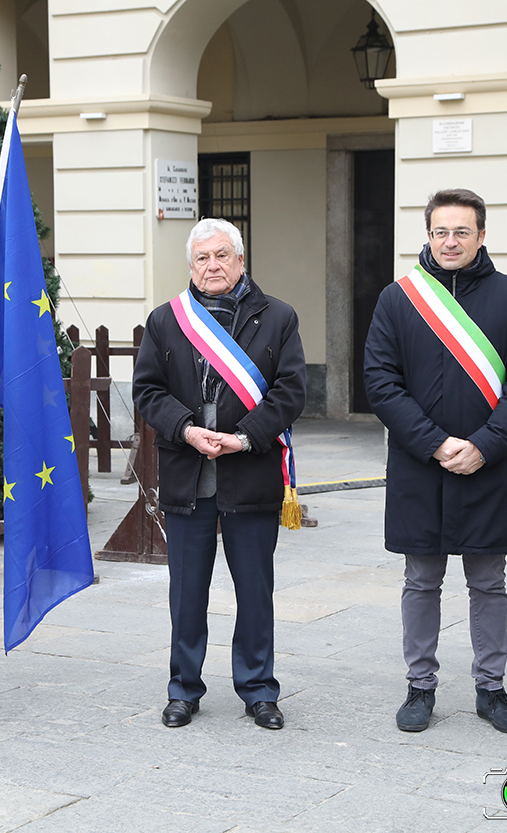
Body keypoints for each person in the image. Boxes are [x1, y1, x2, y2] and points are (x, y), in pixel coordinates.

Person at [363, 189, 507, 735]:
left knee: (489, 579)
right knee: (421, 578)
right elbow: (380, 382)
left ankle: (491, 690)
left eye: (462, 232)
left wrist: (486, 445)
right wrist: (436, 444)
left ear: (482, 236)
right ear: (427, 234)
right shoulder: (398, 299)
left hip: (489, 465)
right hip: (421, 464)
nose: (450, 241)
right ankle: (420, 686)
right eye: (441, 231)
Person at [132, 218, 305, 730]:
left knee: (255, 590)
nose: (212, 266)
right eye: (203, 258)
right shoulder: (167, 320)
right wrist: (184, 429)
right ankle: (183, 688)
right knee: (187, 593)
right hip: (188, 473)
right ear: (191, 265)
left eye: (222, 255)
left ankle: (258, 690)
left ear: (241, 260)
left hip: (249, 471)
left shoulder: (279, 317)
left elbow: (291, 391)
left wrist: (246, 435)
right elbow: (148, 392)